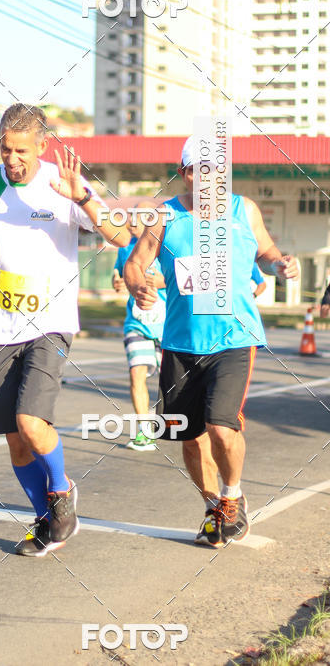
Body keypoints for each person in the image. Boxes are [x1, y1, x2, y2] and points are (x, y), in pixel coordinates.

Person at [0, 104, 130, 557]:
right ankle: (46, 520)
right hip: (0, 327)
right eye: (5, 149)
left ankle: (62, 493)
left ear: (42, 146)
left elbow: (120, 238)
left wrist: (82, 197)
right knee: (16, 441)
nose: (12, 159)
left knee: (31, 421)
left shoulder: (63, 185)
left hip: (51, 323)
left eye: (22, 150)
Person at [125, 135, 298, 548]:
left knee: (221, 427)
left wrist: (280, 263)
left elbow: (267, 251)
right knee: (188, 435)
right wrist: (139, 288)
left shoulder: (244, 210)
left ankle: (233, 495)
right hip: (181, 342)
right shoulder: (164, 218)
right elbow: (135, 264)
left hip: (233, 339)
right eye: (201, 173)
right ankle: (213, 506)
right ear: (185, 174)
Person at [112, 205, 167, 450]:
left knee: (175, 381)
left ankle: (181, 425)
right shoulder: (125, 248)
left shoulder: (169, 245)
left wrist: (161, 281)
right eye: (130, 216)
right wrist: (117, 281)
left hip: (169, 325)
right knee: (136, 373)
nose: (132, 222)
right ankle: (144, 431)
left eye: (139, 217)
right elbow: (118, 277)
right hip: (137, 322)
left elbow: (187, 277)